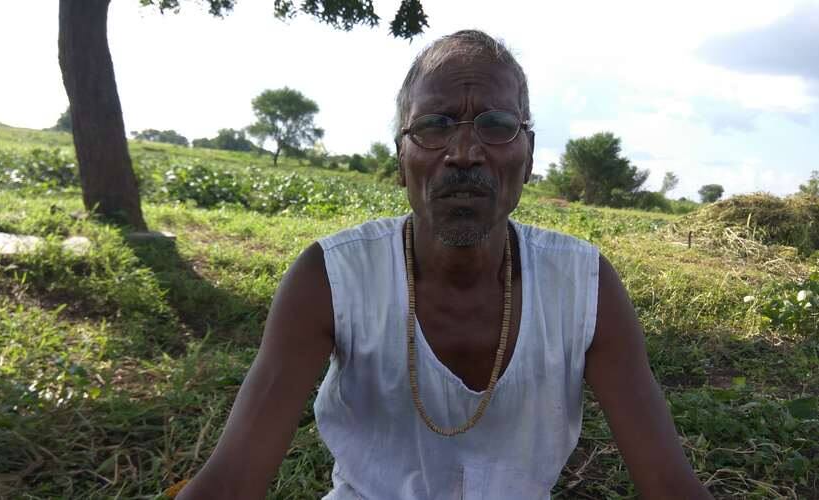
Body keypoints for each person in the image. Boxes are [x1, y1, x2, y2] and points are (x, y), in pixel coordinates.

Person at [177, 30, 711, 499]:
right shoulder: (331, 278)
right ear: (400, 157)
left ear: (529, 156)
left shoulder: (585, 286)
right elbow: (231, 480)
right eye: (434, 126)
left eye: (496, 125)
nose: (463, 152)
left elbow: (669, 485)